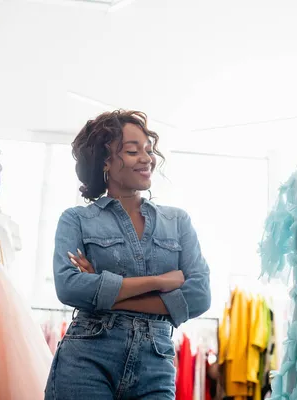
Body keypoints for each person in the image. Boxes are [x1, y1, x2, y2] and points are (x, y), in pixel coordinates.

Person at [44, 110, 211, 400]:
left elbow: (199, 296)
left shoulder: (177, 221)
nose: (147, 158)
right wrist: (160, 281)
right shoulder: (76, 220)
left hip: (156, 364)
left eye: (148, 149)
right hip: (87, 357)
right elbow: (69, 287)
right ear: (105, 160)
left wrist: (102, 288)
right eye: (133, 151)